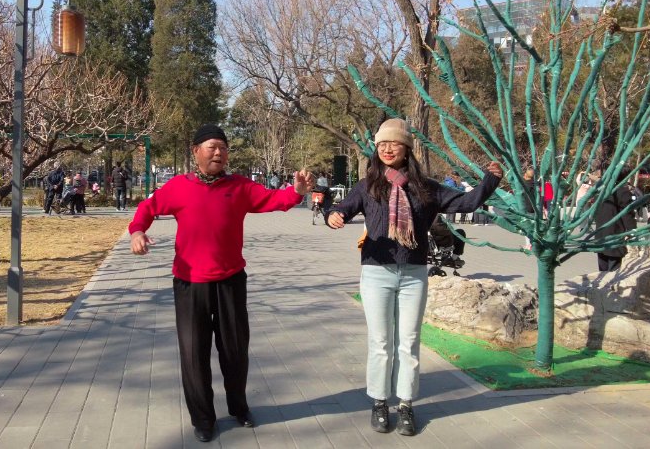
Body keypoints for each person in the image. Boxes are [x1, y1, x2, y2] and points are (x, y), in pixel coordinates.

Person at [128, 124, 314, 443]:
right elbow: (147, 209)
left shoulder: (239, 186)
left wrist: (297, 191)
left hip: (230, 280)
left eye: (223, 148)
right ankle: (203, 418)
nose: (218, 152)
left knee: (235, 350)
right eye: (212, 146)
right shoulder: (178, 187)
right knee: (193, 353)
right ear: (196, 152)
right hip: (190, 284)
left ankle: (239, 407)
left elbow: (275, 200)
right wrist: (137, 231)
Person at [326, 118, 502, 436]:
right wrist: (334, 215)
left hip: (413, 275)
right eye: (382, 144)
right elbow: (341, 208)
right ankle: (379, 402)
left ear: (406, 148)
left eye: (393, 143)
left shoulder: (426, 188)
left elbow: (469, 201)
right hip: (376, 273)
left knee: (408, 342)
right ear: (376, 150)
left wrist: (490, 180)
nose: (388, 149)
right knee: (380, 342)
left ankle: (406, 405)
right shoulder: (367, 186)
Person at [592, 175, 637, 271]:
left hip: (601, 231)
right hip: (614, 231)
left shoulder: (600, 190)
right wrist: (631, 230)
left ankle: (604, 283)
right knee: (613, 266)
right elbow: (627, 213)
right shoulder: (622, 191)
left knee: (603, 263)